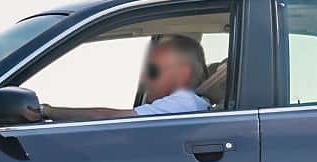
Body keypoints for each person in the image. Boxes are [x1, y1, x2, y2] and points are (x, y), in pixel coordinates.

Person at [39, 34, 211, 122]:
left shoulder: (184, 103)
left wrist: (46, 111)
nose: (145, 78)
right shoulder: (190, 103)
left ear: (182, 73)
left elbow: (106, 117)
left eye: (153, 70)